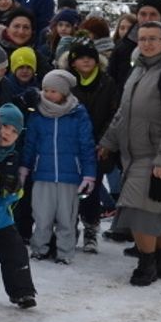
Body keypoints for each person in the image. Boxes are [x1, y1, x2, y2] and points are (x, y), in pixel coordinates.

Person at [98, 20, 161, 286]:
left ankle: (146, 263)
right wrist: (109, 141)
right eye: (142, 39)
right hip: (137, 152)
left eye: (154, 38)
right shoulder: (139, 69)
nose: (148, 43)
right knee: (160, 207)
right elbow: (124, 112)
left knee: (137, 208)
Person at [20, 70, 96, 265]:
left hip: (70, 175)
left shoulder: (77, 113)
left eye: (54, 90)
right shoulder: (37, 114)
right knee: (42, 215)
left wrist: (89, 174)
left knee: (66, 217)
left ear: (64, 92)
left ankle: (64, 251)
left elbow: (86, 145)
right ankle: (39, 248)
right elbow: (30, 142)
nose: (48, 94)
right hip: (42, 174)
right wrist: (25, 167)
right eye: (45, 90)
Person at [0, 104, 37, 309]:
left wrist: (12, 192)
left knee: (14, 250)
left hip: (0, 212)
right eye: (4, 126)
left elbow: (16, 190)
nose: (7, 133)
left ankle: (23, 292)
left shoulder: (12, 156)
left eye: (14, 131)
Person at [67, 38, 119, 253]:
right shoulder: (67, 82)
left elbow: (115, 114)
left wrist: (105, 141)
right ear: (72, 63)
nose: (86, 61)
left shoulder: (108, 83)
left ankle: (91, 227)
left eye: (90, 57)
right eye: (81, 58)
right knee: (69, 191)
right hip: (70, 146)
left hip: (97, 146)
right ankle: (69, 229)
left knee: (92, 190)